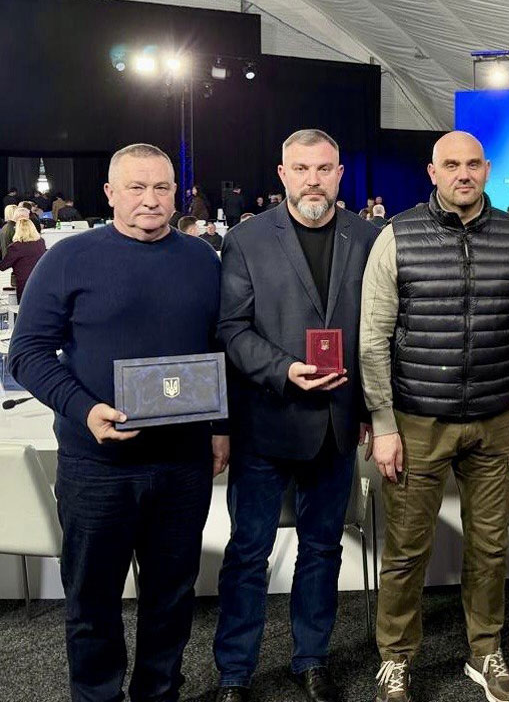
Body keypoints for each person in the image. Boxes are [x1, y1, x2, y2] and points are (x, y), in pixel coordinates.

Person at [7, 143, 224, 702]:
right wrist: (84, 410)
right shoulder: (68, 258)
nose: (151, 199)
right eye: (136, 187)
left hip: (182, 465)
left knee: (171, 598)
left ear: (176, 194)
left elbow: (220, 349)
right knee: (92, 603)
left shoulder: (204, 260)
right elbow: (26, 353)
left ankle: (159, 693)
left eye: (162, 187)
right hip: (96, 466)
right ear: (109, 193)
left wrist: (222, 427)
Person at [360, 131, 509, 702]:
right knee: (406, 550)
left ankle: (485, 651)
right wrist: (384, 424)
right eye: (451, 164)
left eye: (472, 164)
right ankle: (395, 659)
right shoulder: (396, 236)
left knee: (490, 547)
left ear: (487, 170)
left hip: (495, 419)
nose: (463, 173)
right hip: (417, 421)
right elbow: (372, 339)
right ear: (432, 172)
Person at [212, 129, 378, 702]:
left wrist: (371, 409)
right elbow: (231, 329)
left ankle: (312, 659)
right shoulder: (247, 239)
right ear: (282, 174)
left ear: (339, 174)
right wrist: (284, 370)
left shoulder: (368, 236)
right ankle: (235, 672)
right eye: (302, 169)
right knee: (248, 554)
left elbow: (378, 330)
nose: (313, 180)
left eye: (324, 169)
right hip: (265, 422)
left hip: (336, 424)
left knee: (322, 552)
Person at [0, 216, 47, 300]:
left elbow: (3, 266)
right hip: (41, 281)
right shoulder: (41, 242)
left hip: (25, 284)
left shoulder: (16, 247)